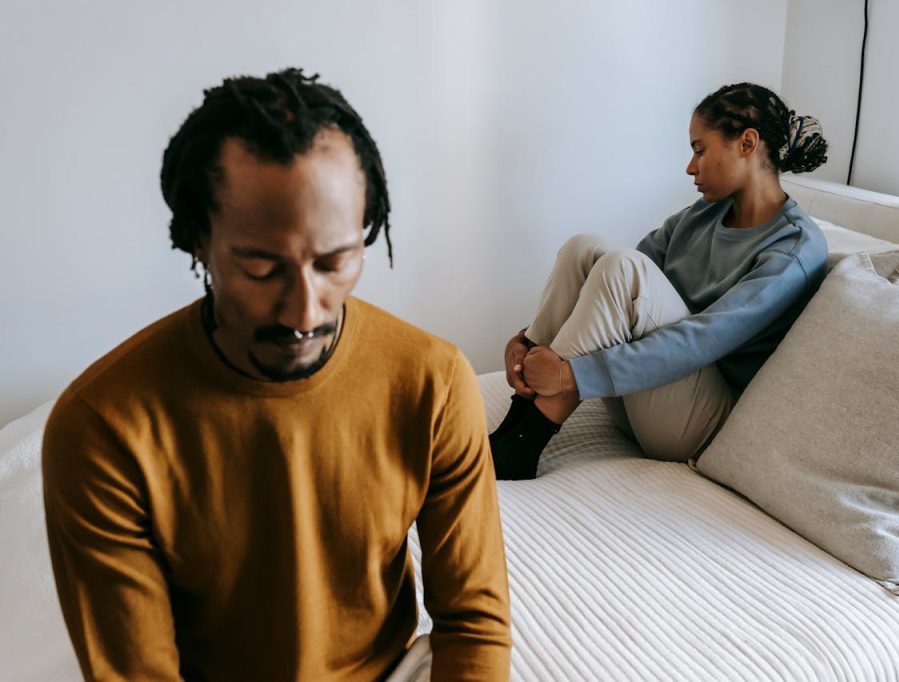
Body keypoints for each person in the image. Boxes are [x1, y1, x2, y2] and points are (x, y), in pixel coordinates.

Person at [42, 68, 511, 681]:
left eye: (335, 263)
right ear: (198, 240)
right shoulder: (101, 427)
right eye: (262, 269)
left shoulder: (434, 382)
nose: (304, 313)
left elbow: (473, 623)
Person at [489, 82, 829, 480]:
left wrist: (571, 375)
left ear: (747, 143)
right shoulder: (703, 215)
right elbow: (614, 291)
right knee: (585, 249)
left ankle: (524, 442)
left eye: (700, 150)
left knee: (624, 267)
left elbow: (704, 338)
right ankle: (518, 417)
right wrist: (528, 339)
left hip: (697, 425)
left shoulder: (794, 248)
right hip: (645, 396)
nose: (690, 167)